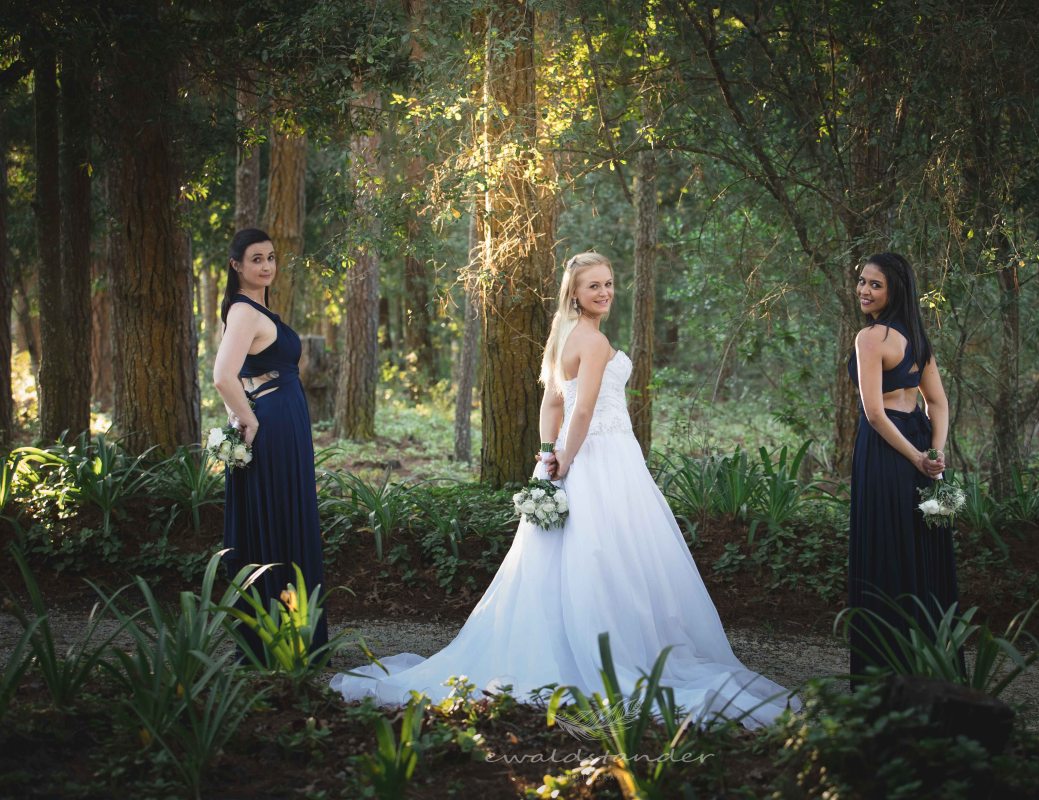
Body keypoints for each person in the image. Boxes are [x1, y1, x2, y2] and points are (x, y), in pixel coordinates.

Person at [332, 251, 798, 728]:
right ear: (574, 292)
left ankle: (566, 646)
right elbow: (581, 410)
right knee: (610, 554)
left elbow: (551, 405)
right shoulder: (593, 341)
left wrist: (547, 455)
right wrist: (566, 460)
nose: (605, 292)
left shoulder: (562, 334)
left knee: (571, 559)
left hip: (573, 456)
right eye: (594, 285)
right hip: (601, 458)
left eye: (609, 283)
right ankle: (612, 653)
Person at [213, 228, 327, 660]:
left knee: (282, 515)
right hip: (273, 426)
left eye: (271, 258)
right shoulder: (243, 310)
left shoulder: (253, 310)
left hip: (283, 421)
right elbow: (223, 376)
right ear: (236, 266)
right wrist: (247, 419)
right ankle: (281, 639)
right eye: (256, 259)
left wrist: (241, 415)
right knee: (278, 518)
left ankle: (287, 635)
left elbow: (236, 376)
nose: (266, 266)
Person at [846, 251, 959, 678]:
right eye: (862, 281)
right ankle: (930, 669)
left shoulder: (870, 338)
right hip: (917, 441)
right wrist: (934, 454)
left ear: (895, 291)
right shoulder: (916, 337)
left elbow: (875, 413)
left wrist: (918, 457)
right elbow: (938, 405)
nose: (864, 290)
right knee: (920, 547)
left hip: (887, 451)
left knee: (886, 549)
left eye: (875, 284)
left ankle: (885, 676)